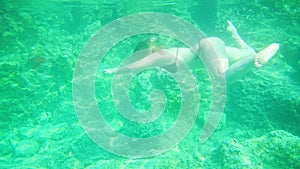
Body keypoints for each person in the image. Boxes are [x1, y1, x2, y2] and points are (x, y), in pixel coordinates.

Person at [104, 20, 279, 83]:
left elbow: (135, 66)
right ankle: (236, 35)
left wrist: (114, 70)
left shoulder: (157, 56)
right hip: (214, 47)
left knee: (221, 79)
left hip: (206, 47)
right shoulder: (166, 56)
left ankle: (255, 60)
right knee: (247, 52)